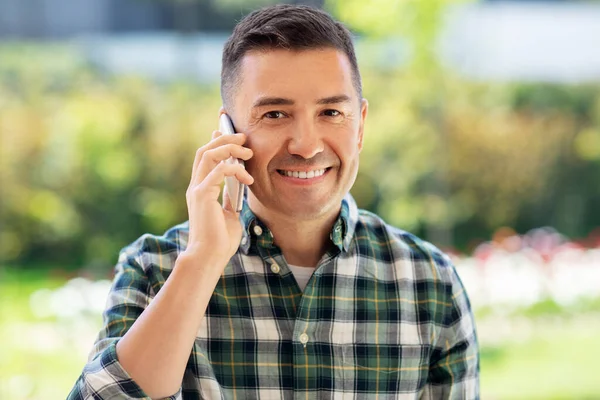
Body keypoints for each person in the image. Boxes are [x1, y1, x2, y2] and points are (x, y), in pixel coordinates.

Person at [68, 4, 479, 399]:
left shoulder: (431, 283)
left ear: (360, 126)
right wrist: (203, 259)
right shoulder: (156, 270)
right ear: (227, 131)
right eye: (275, 115)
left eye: (331, 112)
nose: (305, 145)